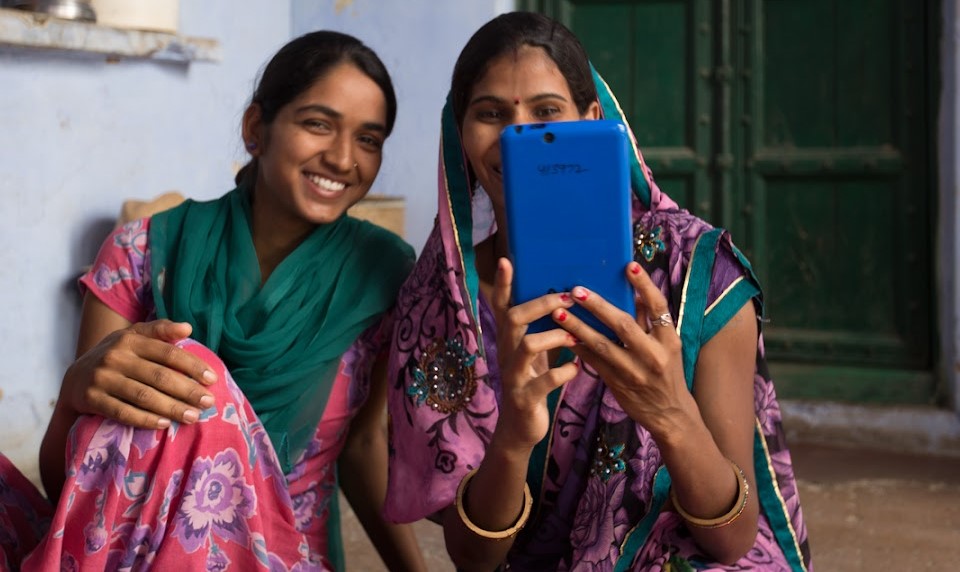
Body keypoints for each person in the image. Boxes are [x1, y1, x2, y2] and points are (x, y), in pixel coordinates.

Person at [385, 12, 811, 572]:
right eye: (490, 114)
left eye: (546, 112)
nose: (520, 136)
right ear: (460, 134)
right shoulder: (442, 305)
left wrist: (671, 413)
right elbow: (474, 559)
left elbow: (731, 541)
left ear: (592, 119)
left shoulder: (694, 273)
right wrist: (514, 437)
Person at [0, 30, 425, 572]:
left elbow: (366, 446)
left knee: (194, 372)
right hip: (131, 542)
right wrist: (73, 392)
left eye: (369, 139)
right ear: (256, 129)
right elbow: (79, 477)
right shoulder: (142, 252)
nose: (343, 158)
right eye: (318, 123)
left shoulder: (382, 273)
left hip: (277, 556)